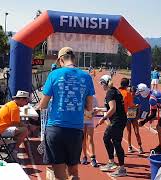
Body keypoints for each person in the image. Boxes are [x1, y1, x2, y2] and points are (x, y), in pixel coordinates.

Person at [38, 47, 94, 180]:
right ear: (73, 58)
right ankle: (73, 177)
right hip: (75, 130)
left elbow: (43, 104)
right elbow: (89, 107)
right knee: (73, 170)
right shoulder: (86, 76)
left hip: (55, 128)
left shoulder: (54, 74)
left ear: (61, 60)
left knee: (59, 174)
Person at [96, 75, 127, 177]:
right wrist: (98, 110)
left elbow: (113, 109)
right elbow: (110, 108)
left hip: (117, 121)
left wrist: (103, 118)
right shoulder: (115, 91)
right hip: (120, 119)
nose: (101, 86)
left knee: (111, 140)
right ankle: (112, 162)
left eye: (102, 83)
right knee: (112, 140)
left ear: (105, 83)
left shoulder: (110, 93)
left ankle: (120, 168)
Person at [137, 83, 161, 154]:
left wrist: (143, 122)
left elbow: (153, 114)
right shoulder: (153, 91)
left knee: (160, 128)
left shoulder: (151, 99)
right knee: (159, 127)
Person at [0, 90, 30, 158]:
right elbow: (15, 123)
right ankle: (14, 150)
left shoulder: (10, 104)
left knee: (21, 129)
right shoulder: (14, 108)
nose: (26, 103)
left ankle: (12, 145)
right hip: (0, 131)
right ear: (22, 99)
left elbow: (15, 123)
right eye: (26, 101)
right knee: (24, 130)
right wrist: (27, 126)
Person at [118, 78, 143, 154]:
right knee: (129, 132)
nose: (132, 93)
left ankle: (140, 146)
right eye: (131, 92)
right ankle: (129, 146)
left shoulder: (137, 99)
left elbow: (139, 110)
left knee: (136, 132)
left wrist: (138, 117)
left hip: (134, 117)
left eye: (133, 92)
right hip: (128, 117)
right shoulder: (126, 96)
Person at [81, 95, 99, 167]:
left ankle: (93, 158)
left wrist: (92, 115)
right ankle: (84, 156)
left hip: (90, 121)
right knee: (83, 139)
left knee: (90, 139)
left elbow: (96, 109)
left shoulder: (94, 98)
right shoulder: (81, 96)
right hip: (81, 121)